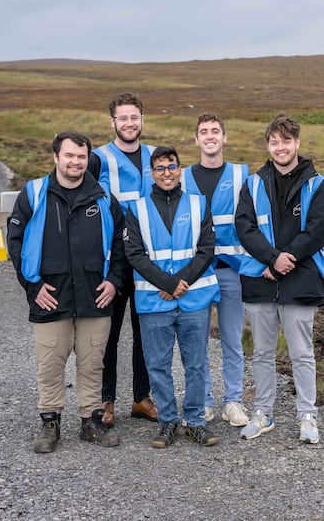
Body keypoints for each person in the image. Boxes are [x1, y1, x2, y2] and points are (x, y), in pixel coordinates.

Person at [7, 131, 125, 453]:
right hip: (51, 297)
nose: (76, 162)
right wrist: (32, 287)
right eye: (70, 155)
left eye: (82, 157)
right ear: (56, 157)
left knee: (92, 364)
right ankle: (50, 424)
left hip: (94, 297)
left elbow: (120, 244)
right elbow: (14, 244)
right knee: (50, 364)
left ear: (88, 159)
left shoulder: (103, 199)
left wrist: (114, 281)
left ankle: (91, 422)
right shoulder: (33, 195)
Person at [234, 114, 324, 444]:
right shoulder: (253, 184)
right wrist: (271, 258)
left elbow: (318, 231)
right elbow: (244, 227)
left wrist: (283, 259)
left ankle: (308, 415)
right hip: (261, 279)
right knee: (262, 353)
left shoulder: (318, 184)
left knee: (301, 353)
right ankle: (263, 412)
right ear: (268, 145)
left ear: (297, 143)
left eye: (286, 141)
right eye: (274, 141)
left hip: (301, 279)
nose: (280, 147)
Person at [123, 146, 220, 448]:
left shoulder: (197, 204)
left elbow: (206, 248)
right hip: (155, 301)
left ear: (180, 170)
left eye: (172, 167)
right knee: (158, 365)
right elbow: (134, 254)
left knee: (196, 364)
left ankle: (195, 421)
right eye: (160, 168)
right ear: (151, 173)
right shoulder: (136, 209)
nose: (167, 173)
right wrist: (167, 282)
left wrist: (181, 282)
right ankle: (168, 422)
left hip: (193, 299)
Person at [89, 92, 158, 426]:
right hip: (114, 261)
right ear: (112, 122)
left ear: (142, 119)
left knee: (145, 332)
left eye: (135, 117)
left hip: (147, 260)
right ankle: (106, 401)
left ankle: (142, 398)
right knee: (109, 333)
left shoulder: (157, 156)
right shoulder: (98, 159)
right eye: (123, 118)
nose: (130, 123)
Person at [180, 112, 249, 427]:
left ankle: (232, 401)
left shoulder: (241, 175)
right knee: (198, 341)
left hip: (230, 272)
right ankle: (203, 401)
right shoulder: (181, 177)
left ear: (224, 138)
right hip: (196, 274)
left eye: (215, 131)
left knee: (232, 339)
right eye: (204, 131)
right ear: (196, 139)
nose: (210, 136)